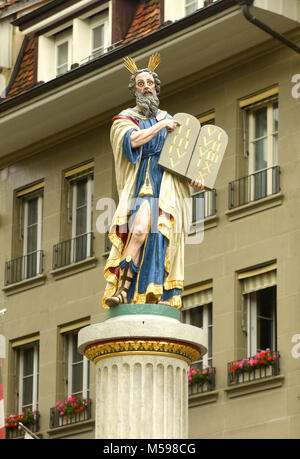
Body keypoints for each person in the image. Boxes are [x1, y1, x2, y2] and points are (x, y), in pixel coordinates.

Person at [102, 54, 204, 310]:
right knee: (138, 232)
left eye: (150, 82)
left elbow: (179, 157)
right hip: (142, 181)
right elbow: (133, 141)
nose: (146, 86)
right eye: (141, 83)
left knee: (160, 237)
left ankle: (155, 292)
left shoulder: (169, 119)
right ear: (134, 90)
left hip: (167, 183)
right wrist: (161, 126)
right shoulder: (125, 118)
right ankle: (122, 291)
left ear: (156, 88)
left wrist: (194, 179)